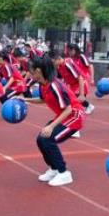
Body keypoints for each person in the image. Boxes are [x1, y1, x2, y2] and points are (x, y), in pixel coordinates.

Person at [27, 56, 85, 187]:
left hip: (75, 116)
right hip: (66, 115)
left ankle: (64, 173)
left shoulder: (54, 85)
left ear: (38, 70)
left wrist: (51, 126)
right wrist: (25, 100)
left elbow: (69, 109)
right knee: (40, 139)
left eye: (30, 71)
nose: (29, 74)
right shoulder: (43, 85)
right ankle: (53, 169)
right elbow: (43, 99)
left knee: (48, 139)